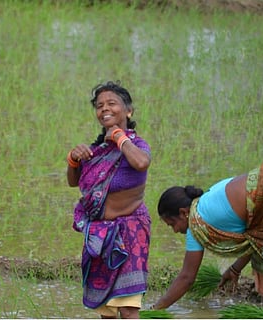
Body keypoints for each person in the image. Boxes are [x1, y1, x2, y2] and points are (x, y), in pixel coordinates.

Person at [152, 160, 263, 314]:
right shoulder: (206, 201)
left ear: (183, 213)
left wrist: (153, 310)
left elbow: (187, 278)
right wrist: (235, 269)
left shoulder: (196, 222)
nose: (174, 230)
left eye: (171, 224)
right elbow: (255, 239)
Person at [67, 81, 152, 319]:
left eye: (112, 103)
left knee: (127, 306)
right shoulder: (98, 151)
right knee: (106, 308)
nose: (105, 108)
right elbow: (75, 182)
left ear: (128, 111)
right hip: (100, 235)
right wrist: (73, 160)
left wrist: (119, 137)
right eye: (99, 105)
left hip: (129, 231)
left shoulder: (137, 145)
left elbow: (142, 163)